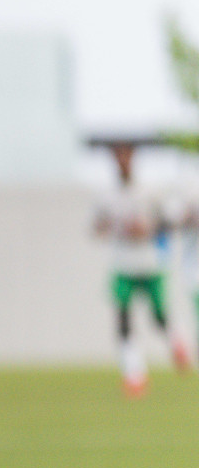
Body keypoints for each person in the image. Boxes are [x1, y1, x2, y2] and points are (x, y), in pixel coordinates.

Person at [92, 143, 186, 395]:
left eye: (126, 157)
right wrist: (108, 228)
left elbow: (171, 223)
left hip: (150, 262)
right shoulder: (107, 195)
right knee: (122, 319)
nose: (122, 162)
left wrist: (148, 229)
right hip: (123, 264)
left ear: (132, 160)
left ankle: (176, 342)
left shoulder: (149, 192)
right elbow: (96, 227)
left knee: (158, 317)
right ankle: (135, 374)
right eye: (118, 158)